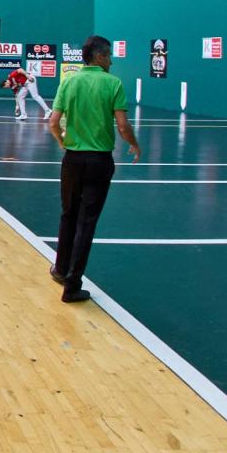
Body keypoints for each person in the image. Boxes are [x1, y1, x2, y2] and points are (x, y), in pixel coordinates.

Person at [48, 36, 140, 304]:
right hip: (99, 161)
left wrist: (63, 141)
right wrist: (134, 144)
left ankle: (60, 269)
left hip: (72, 160)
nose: (111, 61)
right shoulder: (113, 83)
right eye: (108, 55)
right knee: (86, 222)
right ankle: (72, 286)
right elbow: (122, 126)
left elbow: (53, 122)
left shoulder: (69, 82)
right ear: (98, 57)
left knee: (68, 214)